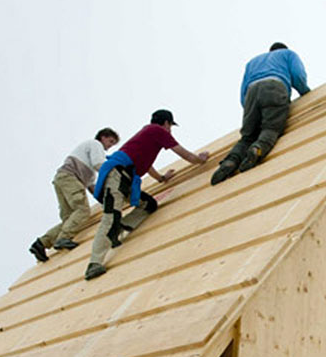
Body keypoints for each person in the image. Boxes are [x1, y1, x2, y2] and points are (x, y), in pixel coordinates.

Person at [85, 109, 209, 280]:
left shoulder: (148, 135)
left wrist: (161, 179)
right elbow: (182, 152)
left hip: (126, 178)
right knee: (110, 216)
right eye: (170, 126)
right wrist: (199, 159)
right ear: (166, 123)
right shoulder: (157, 131)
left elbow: (147, 164)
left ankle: (120, 228)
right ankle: (94, 263)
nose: (170, 130)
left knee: (148, 204)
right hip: (117, 175)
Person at [211, 42, 310, 185]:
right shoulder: (288, 54)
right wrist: (305, 93)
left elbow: (243, 91)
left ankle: (230, 161)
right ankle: (258, 149)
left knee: (247, 136)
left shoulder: (253, 62)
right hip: (275, 86)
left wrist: (250, 111)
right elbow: (297, 75)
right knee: (271, 128)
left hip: (251, 93)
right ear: (283, 49)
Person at [29, 128, 120, 263]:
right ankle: (63, 238)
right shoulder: (95, 144)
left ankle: (41, 243)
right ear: (103, 137)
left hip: (62, 179)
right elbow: (99, 164)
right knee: (83, 211)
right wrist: (115, 176)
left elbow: (92, 187)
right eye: (110, 141)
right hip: (71, 178)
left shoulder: (87, 164)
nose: (110, 146)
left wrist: (105, 200)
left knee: (70, 219)